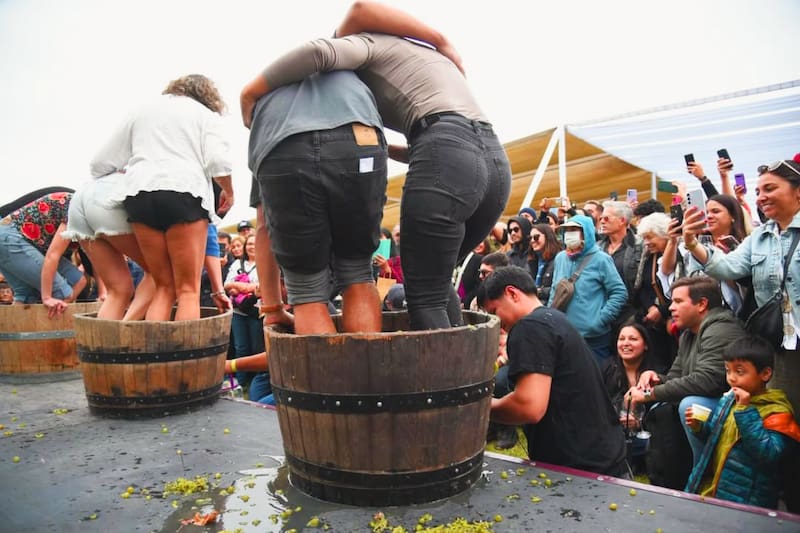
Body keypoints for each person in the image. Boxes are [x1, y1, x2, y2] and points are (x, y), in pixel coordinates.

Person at [240, 0, 512, 331]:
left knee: (423, 293)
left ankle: (442, 383)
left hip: (445, 147)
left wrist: (249, 94)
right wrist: (382, 151)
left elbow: (327, 44)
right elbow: (441, 154)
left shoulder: (361, 45)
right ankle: (469, 378)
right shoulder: (416, 59)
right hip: (492, 160)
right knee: (433, 282)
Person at [245, 65, 387, 335]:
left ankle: (334, 377)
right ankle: (368, 374)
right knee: (357, 272)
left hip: (284, 147)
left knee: (307, 289)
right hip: (359, 140)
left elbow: (264, 225)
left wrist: (273, 308)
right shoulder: (347, 75)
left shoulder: (267, 103)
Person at [90, 74, 234, 321]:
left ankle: (154, 357)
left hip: (139, 195)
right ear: (207, 96)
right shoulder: (204, 115)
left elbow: (99, 164)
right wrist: (229, 191)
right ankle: (186, 358)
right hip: (185, 192)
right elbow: (218, 161)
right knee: (188, 290)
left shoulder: (140, 112)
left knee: (164, 286)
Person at [680, 156, 800, 417]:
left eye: (770, 189)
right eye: (758, 191)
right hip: (780, 346)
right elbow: (726, 268)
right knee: (786, 418)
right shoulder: (760, 237)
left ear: (797, 191)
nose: (760, 197)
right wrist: (690, 242)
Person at [481, 266, 628, 476]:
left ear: (512, 293)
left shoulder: (530, 327)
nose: (497, 324)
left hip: (582, 471)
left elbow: (529, 406)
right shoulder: (553, 318)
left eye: (494, 312)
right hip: (604, 457)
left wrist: (482, 408)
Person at [628, 276, 747, 469]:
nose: (671, 308)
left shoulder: (720, 329)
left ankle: (704, 473)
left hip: (740, 408)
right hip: (714, 404)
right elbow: (677, 379)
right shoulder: (688, 335)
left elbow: (708, 381)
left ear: (701, 304)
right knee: (669, 403)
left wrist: (649, 394)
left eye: (678, 301)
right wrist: (656, 380)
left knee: (691, 405)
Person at [684, 335, 800, 509]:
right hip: (713, 487)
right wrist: (698, 427)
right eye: (727, 370)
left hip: (747, 500)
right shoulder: (729, 400)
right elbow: (715, 437)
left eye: (739, 372)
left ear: (765, 374)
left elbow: (769, 455)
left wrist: (745, 411)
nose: (731, 378)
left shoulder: (777, 412)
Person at [61, 172, 156, 320]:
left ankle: (106, 341)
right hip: (110, 197)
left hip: (82, 199)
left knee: (119, 290)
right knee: (159, 275)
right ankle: (125, 330)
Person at [548, 215, 628, 362]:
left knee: (595, 379)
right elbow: (555, 291)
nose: (570, 234)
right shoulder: (560, 258)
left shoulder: (601, 259)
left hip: (593, 339)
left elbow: (619, 292)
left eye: (575, 230)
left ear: (586, 233)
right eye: (567, 230)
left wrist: (599, 320)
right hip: (564, 335)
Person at [0, 191, 86, 314]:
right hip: (13, 235)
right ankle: (54, 330)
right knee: (61, 293)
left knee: (78, 280)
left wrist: (104, 292)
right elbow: (52, 256)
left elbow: (93, 260)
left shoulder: (88, 221)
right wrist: (46, 296)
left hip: (32, 241)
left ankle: (26, 330)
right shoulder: (77, 209)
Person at [528, 223, 561, 303]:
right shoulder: (532, 261)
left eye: (536, 237)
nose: (532, 241)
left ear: (547, 237)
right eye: (530, 238)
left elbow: (559, 289)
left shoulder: (559, 259)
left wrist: (538, 291)